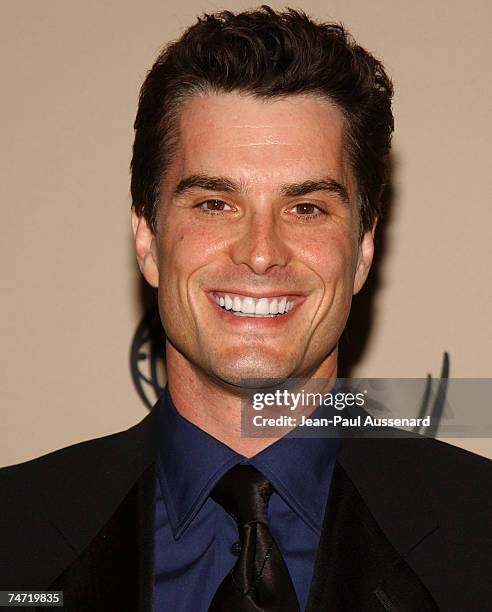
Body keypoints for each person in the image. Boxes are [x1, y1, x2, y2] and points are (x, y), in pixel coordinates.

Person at [1, 6, 491, 611]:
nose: (261, 253)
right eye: (214, 203)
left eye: (307, 208)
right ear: (148, 240)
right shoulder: (14, 535)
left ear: (363, 250)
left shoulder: (479, 532)